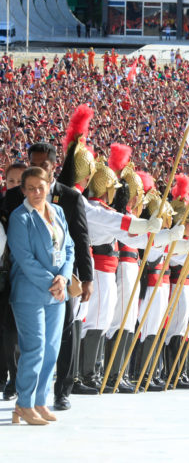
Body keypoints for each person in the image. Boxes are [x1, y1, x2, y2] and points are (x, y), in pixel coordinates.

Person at [2, 141, 94, 412]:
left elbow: (77, 242)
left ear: (54, 167)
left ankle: (60, 391)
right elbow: (17, 249)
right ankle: (23, 395)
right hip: (26, 282)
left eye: (44, 165)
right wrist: (50, 281)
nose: (38, 170)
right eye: (34, 164)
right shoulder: (16, 198)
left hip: (61, 284)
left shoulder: (69, 199)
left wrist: (79, 278)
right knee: (27, 341)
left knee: (59, 341)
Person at [8, 167, 75, 425]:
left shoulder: (57, 212)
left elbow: (68, 247)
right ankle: (24, 404)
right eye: (31, 188)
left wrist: (64, 278)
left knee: (50, 350)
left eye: (41, 187)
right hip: (29, 293)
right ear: (23, 190)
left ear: (49, 186)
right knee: (34, 348)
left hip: (56, 294)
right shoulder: (19, 217)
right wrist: (53, 282)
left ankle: (39, 401)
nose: (37, 192)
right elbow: (24, 259)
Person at [1, 162, 26, 400]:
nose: (15, 187)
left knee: (18, 331)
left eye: (20, 183)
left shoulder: (32, 209)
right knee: (6, 330)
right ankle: (7, 376)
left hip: (24, 275)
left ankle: (18, 380)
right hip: (3, 274)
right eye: (10, 182)